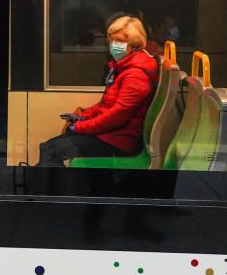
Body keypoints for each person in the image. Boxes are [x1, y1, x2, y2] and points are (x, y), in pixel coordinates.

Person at [36, 15, 159, 166]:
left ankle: (50, 189)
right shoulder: (123, 68)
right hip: (110, 134)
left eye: (119, 41)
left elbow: (117, 116)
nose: (114, 45)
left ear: (134, 43)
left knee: (51, 150)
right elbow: (105, 105)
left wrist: (80, 127)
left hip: (118, 141)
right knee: (48, 147)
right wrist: (81, 117)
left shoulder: (135, 75)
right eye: (112, 41)